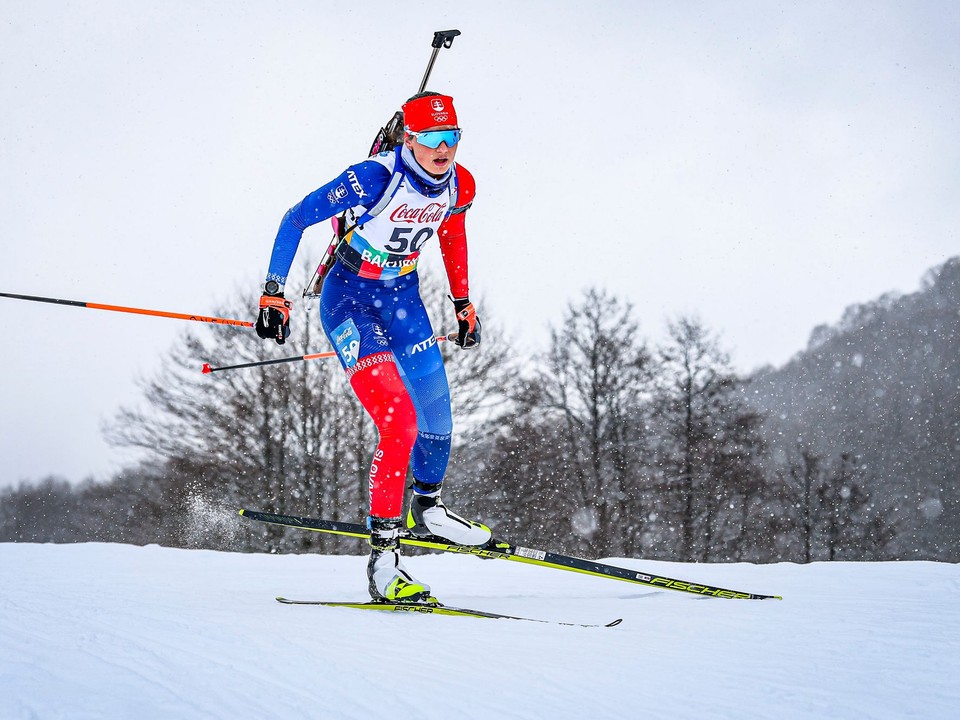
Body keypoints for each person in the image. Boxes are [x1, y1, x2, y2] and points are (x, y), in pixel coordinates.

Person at [255, 91, 491, 603]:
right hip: (351, 302)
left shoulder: (459, 185)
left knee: (438, 416)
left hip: (404, 299)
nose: (442, 149)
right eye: (430, 138)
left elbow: (453, 236)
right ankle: (385, 565)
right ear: (408, 138)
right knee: (399, 423)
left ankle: (428, 508)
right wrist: (275, 292)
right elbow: (296, 217)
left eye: (450, 138)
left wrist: (463, 303)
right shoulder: (373, 177)